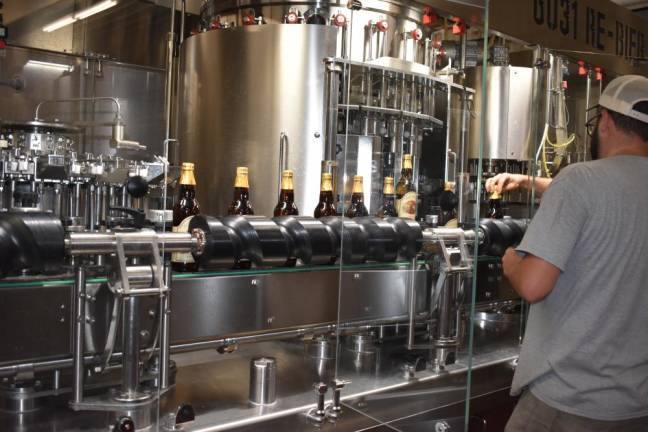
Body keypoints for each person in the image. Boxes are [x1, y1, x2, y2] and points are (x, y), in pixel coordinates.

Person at [501, 75, 648, 432]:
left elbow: (534, 286)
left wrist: (511, 262)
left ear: (607, 122)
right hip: (636, 403)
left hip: (568, 401)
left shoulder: (579, 180)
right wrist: (528, 182)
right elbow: (613, 196)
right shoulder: (584, 184)